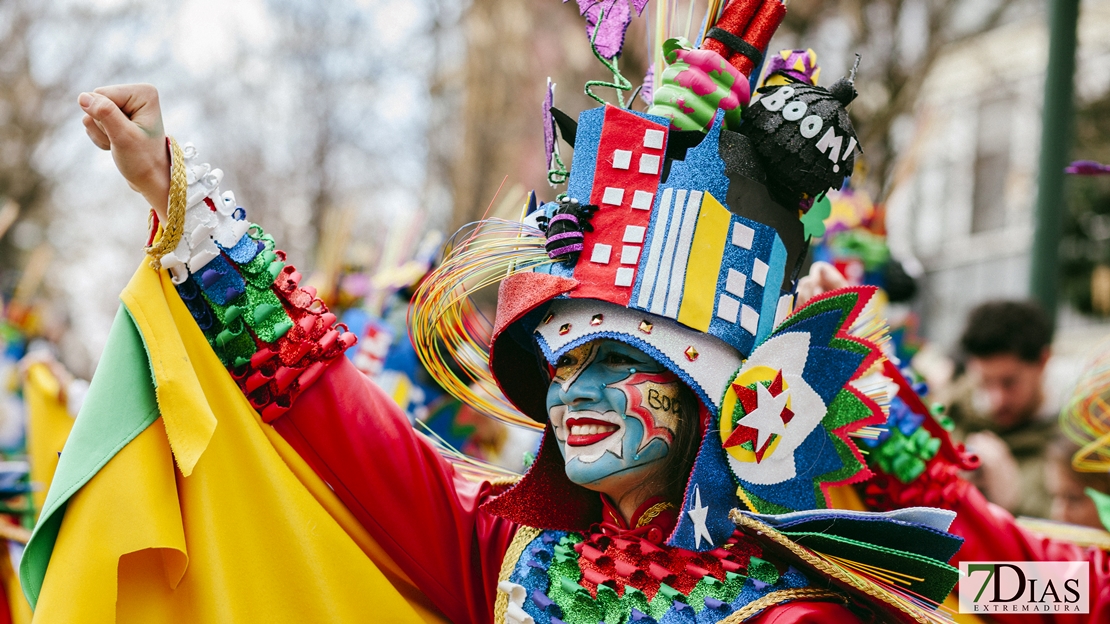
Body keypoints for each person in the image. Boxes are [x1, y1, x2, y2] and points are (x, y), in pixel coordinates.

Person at [32, 5, 1110, 624]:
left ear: (704, 392)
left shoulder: (807, 595)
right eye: (561, 361)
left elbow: (1021, 591)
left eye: (614, 357)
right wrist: (183, 202)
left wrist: (913, 470)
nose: (574, 391)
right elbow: (328, 402)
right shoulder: (510, 554)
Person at [950, 300, 1059, 517]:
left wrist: (1013, 501)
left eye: (1009, 382)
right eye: (984, 382)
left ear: (1043, 361)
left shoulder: (1071, 438)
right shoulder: (949, 409)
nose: (996, 400)